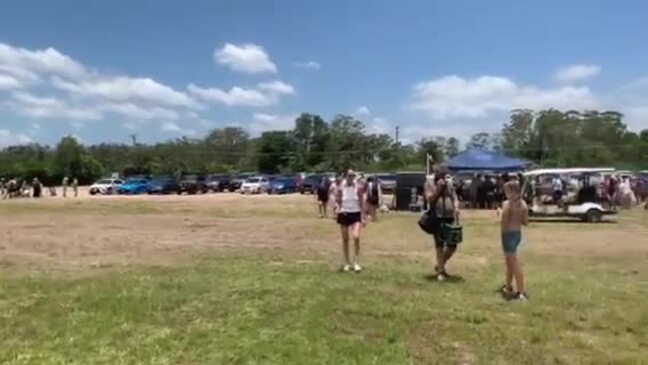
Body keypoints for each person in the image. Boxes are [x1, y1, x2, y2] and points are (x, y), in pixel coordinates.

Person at [425, 172, 460, 281]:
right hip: (437, 216)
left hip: (450, 216)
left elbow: (454, 197)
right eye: (440, 176)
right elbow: (430, 199)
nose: (443, 178)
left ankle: (440, 264)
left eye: (444, 176)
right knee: (439, 244)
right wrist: (439, 189)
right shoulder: (429, 183)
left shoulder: (449, 183)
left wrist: (456, 207)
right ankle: (440, 271)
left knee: (452, 245)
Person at [498, 180, 529, 301]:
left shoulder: (507, 204)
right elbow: (525, 222)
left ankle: (521, 292)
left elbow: (503, 223)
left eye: (506, 191)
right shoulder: (523, 204)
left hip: (508, 235)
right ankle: (508, 286)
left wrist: (499, 213)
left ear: (512, 191)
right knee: (509, 262)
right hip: (517, 234)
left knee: (514, 263)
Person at [336, 170, 366, 273]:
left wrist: (363, 216)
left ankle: (356, 262)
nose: (351, 178)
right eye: (349, 176)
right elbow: (338, 198)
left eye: (352, 176)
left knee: (356, 237)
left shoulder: (358, 187)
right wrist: (338, 208)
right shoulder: (341, 186)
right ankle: (347, 263)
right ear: (346, 176)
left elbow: (362, 201)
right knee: (345, 239)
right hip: (344, 213)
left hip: (356, 213)